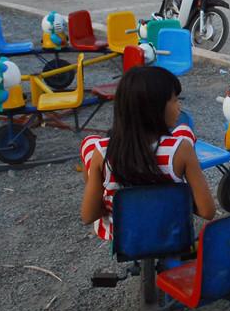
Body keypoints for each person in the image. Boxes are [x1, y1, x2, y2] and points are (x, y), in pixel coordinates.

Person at [80, 66, 216, 240]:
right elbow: (207, 211)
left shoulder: (102, 152)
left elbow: (88, 215)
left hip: (124, 238)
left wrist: (111, 203)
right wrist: (176, 200)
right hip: (170, 234)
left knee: (90, 144)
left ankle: (104, 188)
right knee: (184, 131)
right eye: (174, 100)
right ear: (155, 109)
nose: (179, 107)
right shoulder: (182, 150)